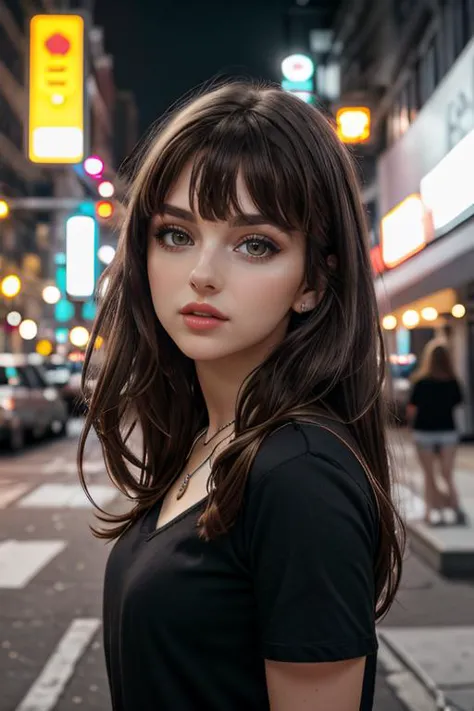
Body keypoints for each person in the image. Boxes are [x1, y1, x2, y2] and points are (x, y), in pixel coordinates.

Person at [78, 81, 404, 711]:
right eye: (176, 234)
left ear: (312, 281)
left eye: (256, 244)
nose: (202, 272)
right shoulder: (210, 438)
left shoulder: (300, 473)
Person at [407, 339, 466, 526]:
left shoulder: (420, 382)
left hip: (424, 431)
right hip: (448, 431)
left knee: (429, 475)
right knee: (447, 474)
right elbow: (457, 403)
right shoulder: (453, 382)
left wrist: (410, 427)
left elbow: (412, 408)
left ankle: (432, 512)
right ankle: (455, 506)